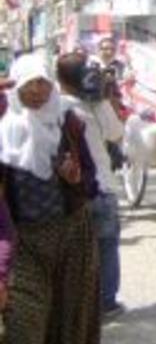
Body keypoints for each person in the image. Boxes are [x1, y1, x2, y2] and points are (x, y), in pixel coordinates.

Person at [0, 54, 100, 344]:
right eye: (29, 84)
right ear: (16, 87)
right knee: (23, 327)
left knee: (71, 321)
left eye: (43, 84)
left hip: (72, 236)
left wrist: (76, 178)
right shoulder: (5, 127)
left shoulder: (67, 122)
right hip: (23, 241)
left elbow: (92, 184)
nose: (36, 92)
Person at [56, 52, 126, 318]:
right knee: (107, 247)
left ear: (60, 79)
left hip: (73, 193)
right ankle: (107, 303)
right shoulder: (95, 106)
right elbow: (117, 133)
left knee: (78, 253)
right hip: (104, 188)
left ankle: (80, 305)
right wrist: (103, 101)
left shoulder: (55, 106)